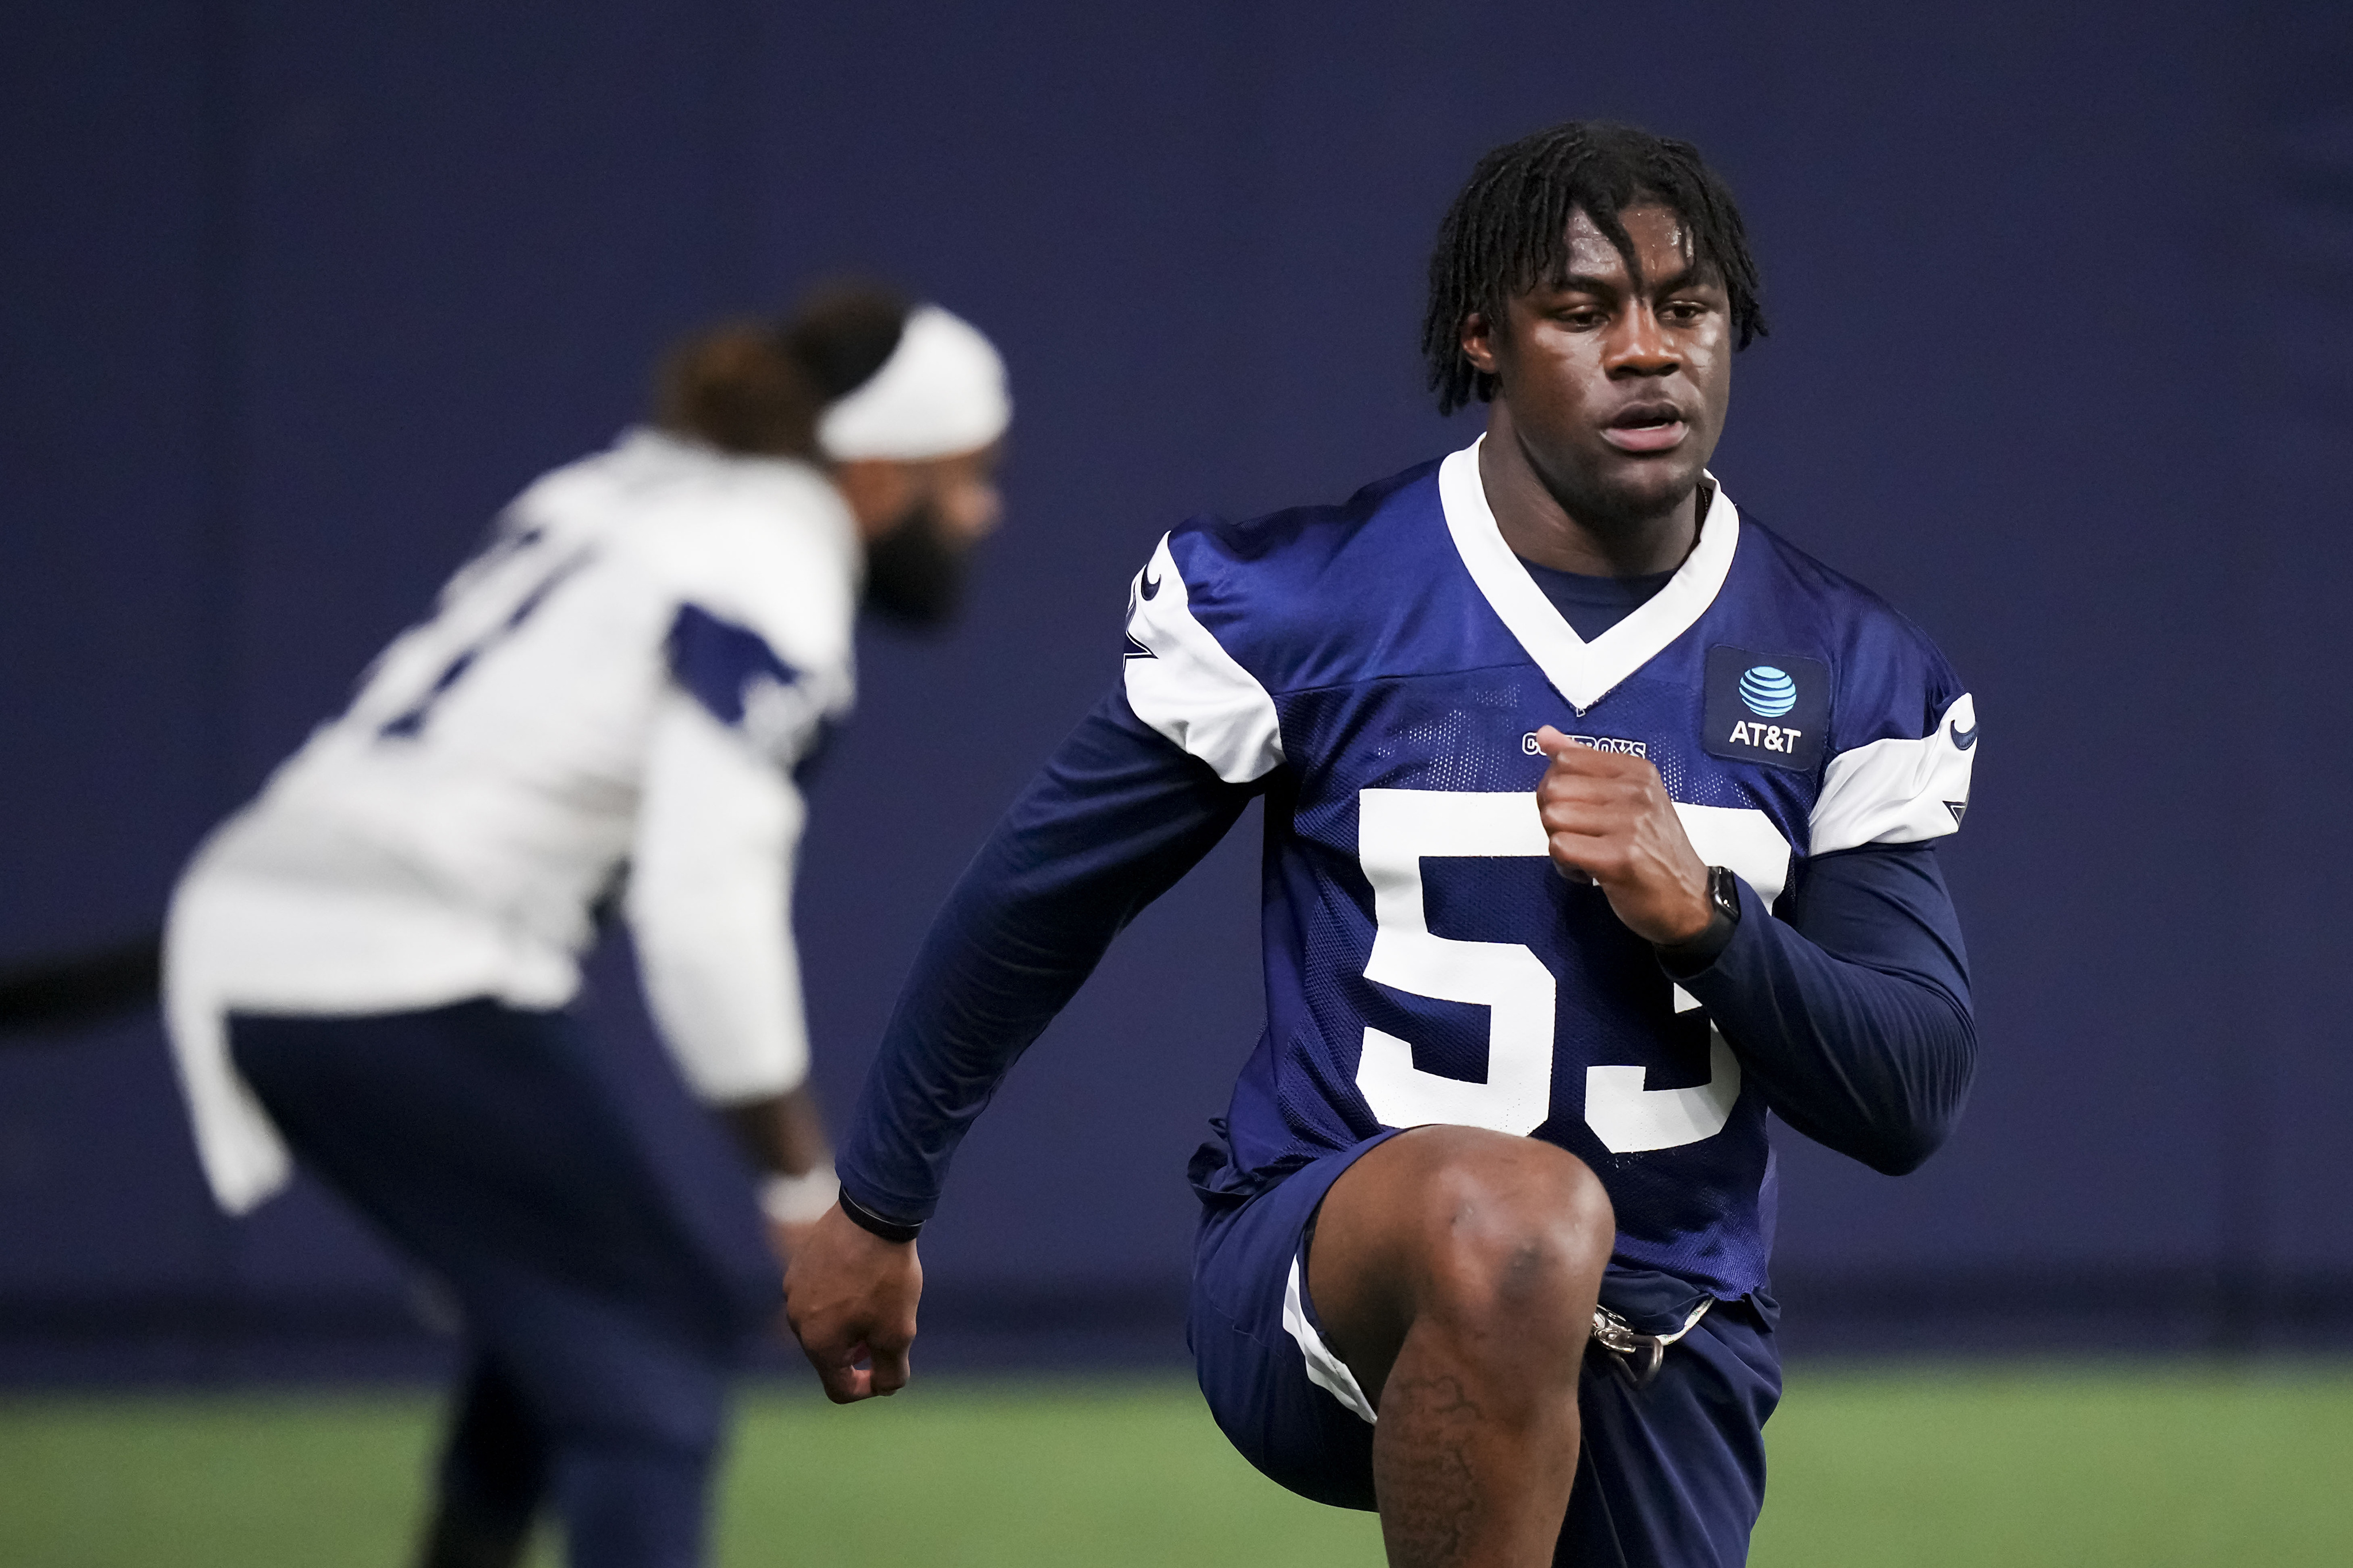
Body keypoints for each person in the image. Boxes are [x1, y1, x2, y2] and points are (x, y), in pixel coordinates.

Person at [786, 121, 1978, 1568]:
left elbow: (1907, 1091)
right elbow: (1036, 904)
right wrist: (878, 1204)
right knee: (1515, 1218)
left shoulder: (1837, 662)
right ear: (1484, 338)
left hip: (1668, 1320)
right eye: (1585, 309)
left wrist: (1708, 919)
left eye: (1686, 306)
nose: (1649, 351)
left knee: (1550, 1249)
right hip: (1325, 1260)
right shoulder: (1319, 604)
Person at [161, 284, 1010, 1568]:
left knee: (565, 1317)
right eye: (966, 475)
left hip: (292, 928)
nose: (981, 512)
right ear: (881, 469)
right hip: (384, 967)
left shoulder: (630, 489)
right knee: (652, 1349)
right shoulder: (772, 564)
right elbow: (699, 905)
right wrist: (802, 1189)